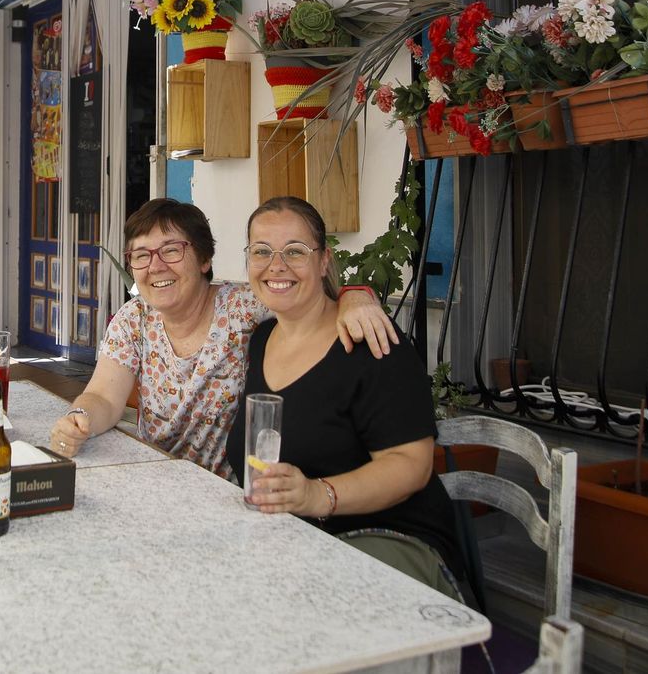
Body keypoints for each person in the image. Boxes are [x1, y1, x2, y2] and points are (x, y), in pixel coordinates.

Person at [47, 198, 396, 478]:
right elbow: (103, 397)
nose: (155, 266)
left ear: (204, 258)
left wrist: (355, 296)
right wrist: (81, 417)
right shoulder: (133, 319)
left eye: (171, 250)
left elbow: (308, 299)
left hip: (230, 490)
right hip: (156, 479)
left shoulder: (243, 308)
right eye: (141, 255)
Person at [227, 195, 466, 597]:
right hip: (294, 543)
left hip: (390, 542)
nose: (276, 265)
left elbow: (411, 465)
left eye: (295, 251)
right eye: (261, 251)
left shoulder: (372, 342)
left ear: (324, 261)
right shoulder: (262, 338)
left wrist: (316, 495)